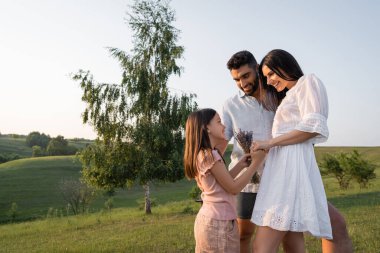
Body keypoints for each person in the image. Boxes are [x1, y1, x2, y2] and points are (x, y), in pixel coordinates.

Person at [223, 50, 353, 253]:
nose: (269, 80)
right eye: (236, 79)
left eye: (270, 74)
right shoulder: (281, 96)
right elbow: (222, 138)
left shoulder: (300, 86)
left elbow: (313, 127)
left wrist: (270, 143)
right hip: (262, 177)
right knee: (256, 237)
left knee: (279, 242)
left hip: (287, 174)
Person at [222, 50, 285, 253]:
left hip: (277, 178)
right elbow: (221, 142)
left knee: (278, 234)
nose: (242, 83)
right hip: (246, 181)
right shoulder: (230, 105)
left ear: (257, 69)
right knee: (243, 234)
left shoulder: (278, 97)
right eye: (236, 79)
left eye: (245, 76)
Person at [183, 108, 266, 253]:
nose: (224, 126)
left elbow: (222, 182)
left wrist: (241, 165)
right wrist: (255, 164)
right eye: (219, 122)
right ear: (206, 128)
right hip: (219, 226)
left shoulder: (203, 154)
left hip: (209, 222)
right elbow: (233, 188)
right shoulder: (211, 155)